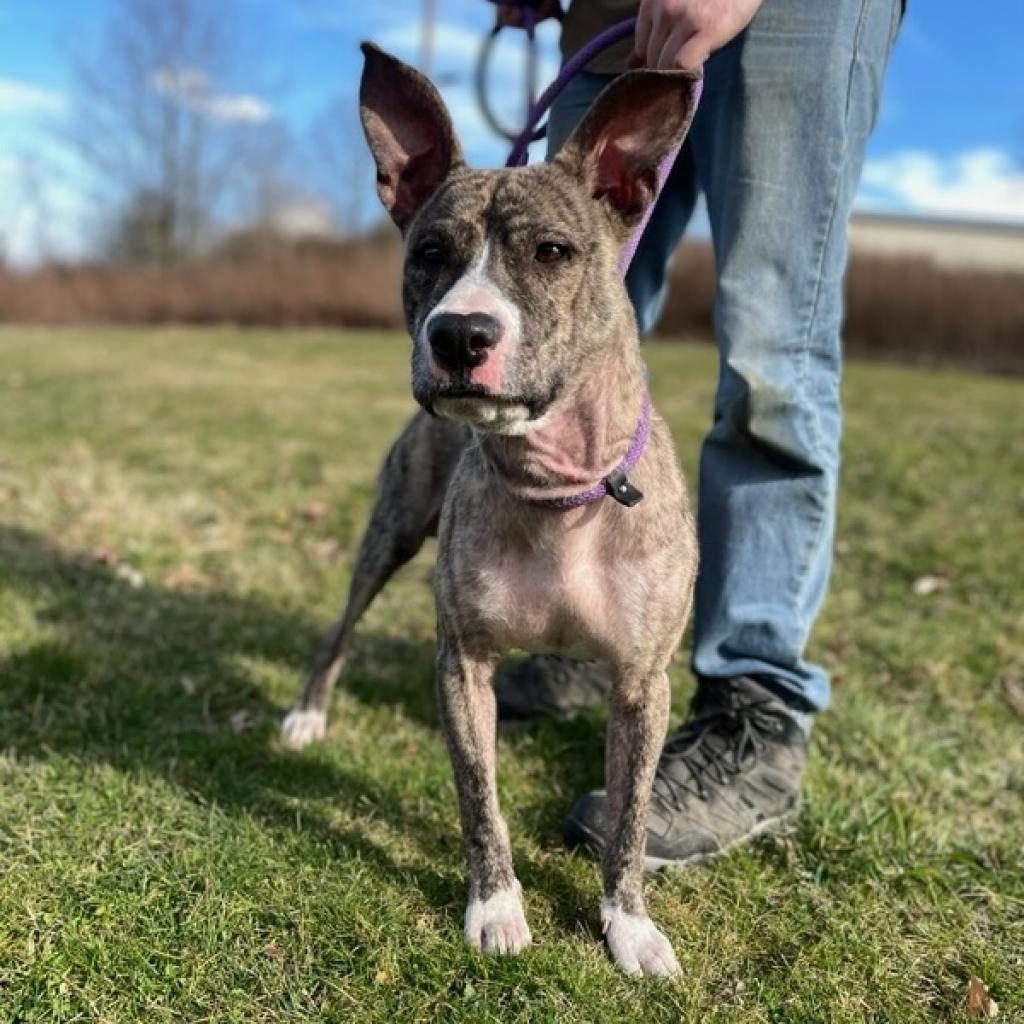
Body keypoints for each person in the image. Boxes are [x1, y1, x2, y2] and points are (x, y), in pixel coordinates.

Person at [493, 0, 903, 865]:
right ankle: (578, 625)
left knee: (772, 350)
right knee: (558, 328)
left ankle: (755, 710)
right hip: (609, 14)